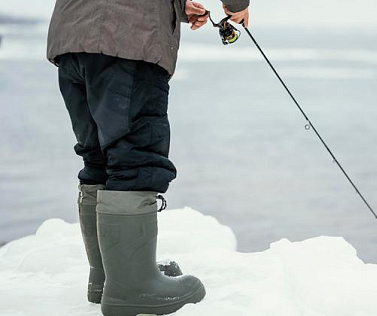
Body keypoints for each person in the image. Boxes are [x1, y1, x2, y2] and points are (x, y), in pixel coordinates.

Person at [46, 0, 250, 315]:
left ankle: (109, 277)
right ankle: (131, 287)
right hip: (126, 37)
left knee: (99, 158)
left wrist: (178, 7)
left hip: (73, 36)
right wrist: (236, 5)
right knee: (135, 158)